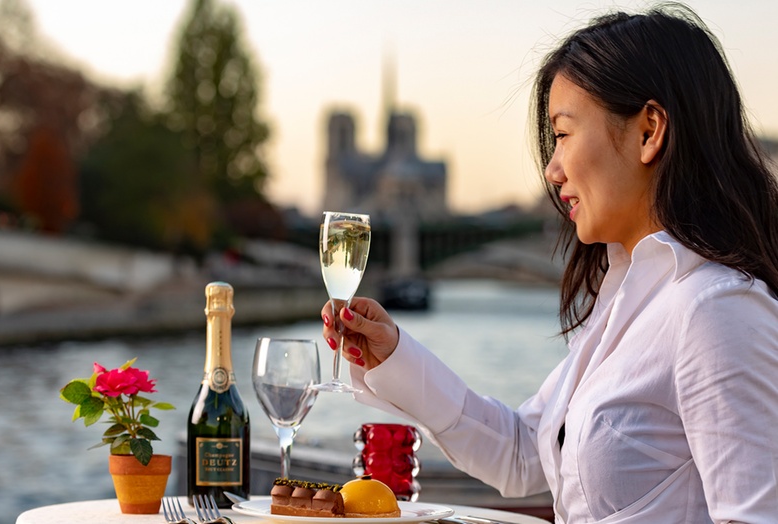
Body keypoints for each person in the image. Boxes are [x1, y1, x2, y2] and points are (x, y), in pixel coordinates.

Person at [321, 4, 778, 523]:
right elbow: (522, 453)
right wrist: (393, 356)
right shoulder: (625, 301)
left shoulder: (717, 312)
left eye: (562, 134)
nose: (551, 170)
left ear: (649, 131)